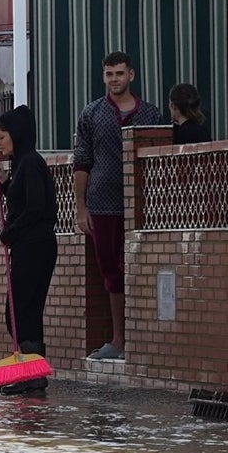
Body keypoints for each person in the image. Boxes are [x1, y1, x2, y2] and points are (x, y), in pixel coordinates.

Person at [73, 51, 163, 361]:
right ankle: (118, 340)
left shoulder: (151, 115)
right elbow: (82, 162)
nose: (115, 80)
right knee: (111, 272)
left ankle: (145, 339)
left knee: (142, 269)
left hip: (144, 206)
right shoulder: (91, 114)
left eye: (120, 74)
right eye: (109, 74)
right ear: (103, 77)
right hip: (103, 205)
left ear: (131, 76)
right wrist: (81, 207)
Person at [0, 105, 59, 395]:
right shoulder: (22, 164)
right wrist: (4, 181)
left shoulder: (31, 163)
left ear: (16, 135)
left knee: (20, 312)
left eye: (1, 137)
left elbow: (34, 208)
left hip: (35, 246)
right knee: (23, 311)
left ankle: (33, 374)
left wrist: (10, 233)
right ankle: (32, 373)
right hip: (28, 245)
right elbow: (20, 200)